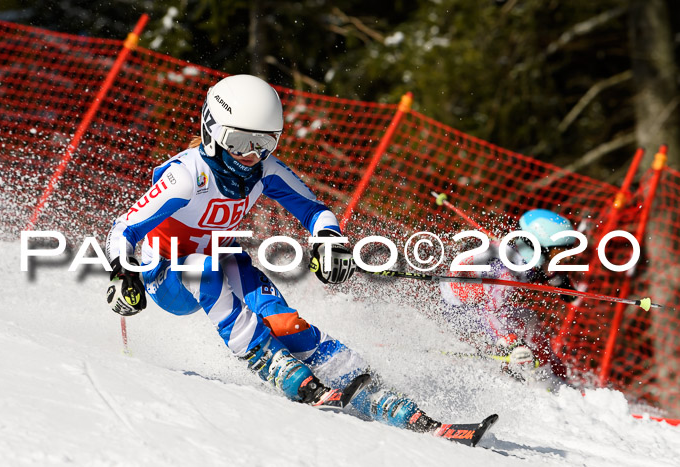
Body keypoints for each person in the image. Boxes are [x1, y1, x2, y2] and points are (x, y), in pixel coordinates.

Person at [104, 74, 478, 438]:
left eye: (263, 144)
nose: (250, 156)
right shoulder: (186, 177)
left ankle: (370, 387)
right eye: (237, 142)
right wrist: (123, 272)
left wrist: (329, 241)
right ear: (211, 131)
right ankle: (267, 360)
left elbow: (316, 212)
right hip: (167, 273)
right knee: (206, 269)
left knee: (283, 323)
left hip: (220, 256)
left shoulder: (265, 171)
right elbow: (124, 228)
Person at [439, 209, 578, 383]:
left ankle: (551, 370)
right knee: (515, 325)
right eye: (559, 252)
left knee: (528, 318)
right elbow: (489, 312)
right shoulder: (507, 273)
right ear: (540, 248)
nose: (564, 260)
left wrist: (560, 283)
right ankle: (522, 368)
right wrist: (511, 342)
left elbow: (545, 272)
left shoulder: (522, 258)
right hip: (458, 313)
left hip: (474, 306)